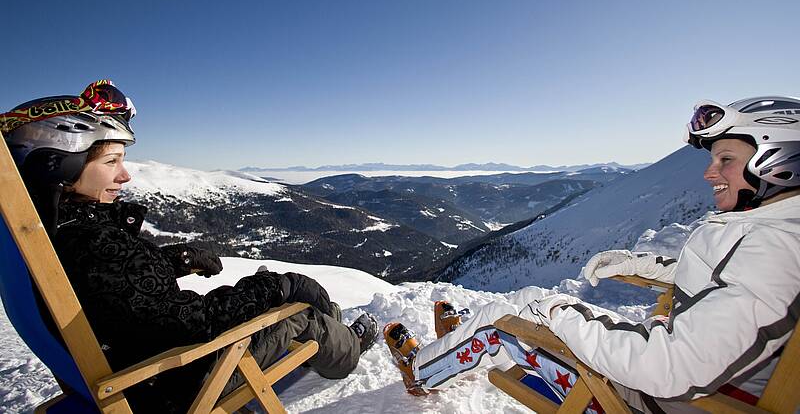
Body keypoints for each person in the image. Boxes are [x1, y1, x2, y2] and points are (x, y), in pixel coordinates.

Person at [385, 96, 800, 413]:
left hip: (647, 399)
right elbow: (721, 282)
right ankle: (458, 345)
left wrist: (559, 313)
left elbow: (670, 365)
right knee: (532, 308)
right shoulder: (773, 227)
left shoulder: (774, 248)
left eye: (725, 159)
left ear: (778, 158)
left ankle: (420, 370)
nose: (710, 173)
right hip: (698, 384)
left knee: (515, 315)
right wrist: (640, 264)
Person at [0, 80, 379, 412]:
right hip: (172, 384)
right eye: (112, 160)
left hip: (129, 368)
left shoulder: (62, 233)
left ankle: (334, 327)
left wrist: (175, 259)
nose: (125, 174)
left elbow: (121, 288)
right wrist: (271, 287)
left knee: (291, 291)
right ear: (63, 164)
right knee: (299, 308)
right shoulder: (93, 242)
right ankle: (347, 348)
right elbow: (193, 323)